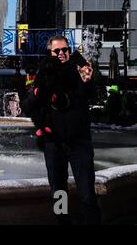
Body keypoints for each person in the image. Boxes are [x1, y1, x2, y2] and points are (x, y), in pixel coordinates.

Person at [23, 36, 101, 225]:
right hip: (53, 143)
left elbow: (94, 95)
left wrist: (88, 81)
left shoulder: (81, 68)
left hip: (79, 142)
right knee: (59, 192)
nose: (61, 54)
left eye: (65, 50)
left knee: (86, 193)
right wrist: (37, 92)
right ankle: (62, 223)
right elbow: (29, 106)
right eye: (56, 51)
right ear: (50, 53)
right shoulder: (44, 74)